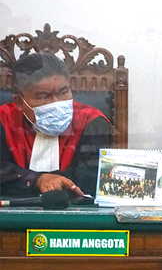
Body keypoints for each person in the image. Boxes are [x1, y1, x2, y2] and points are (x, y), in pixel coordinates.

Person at [0, 52, 111, 197]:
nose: (56, 103)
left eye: (63, 92)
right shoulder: (3, 119)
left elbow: (91, 177)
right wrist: (37, 180)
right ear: (20, 102)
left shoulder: (91, 121)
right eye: (43, 96)